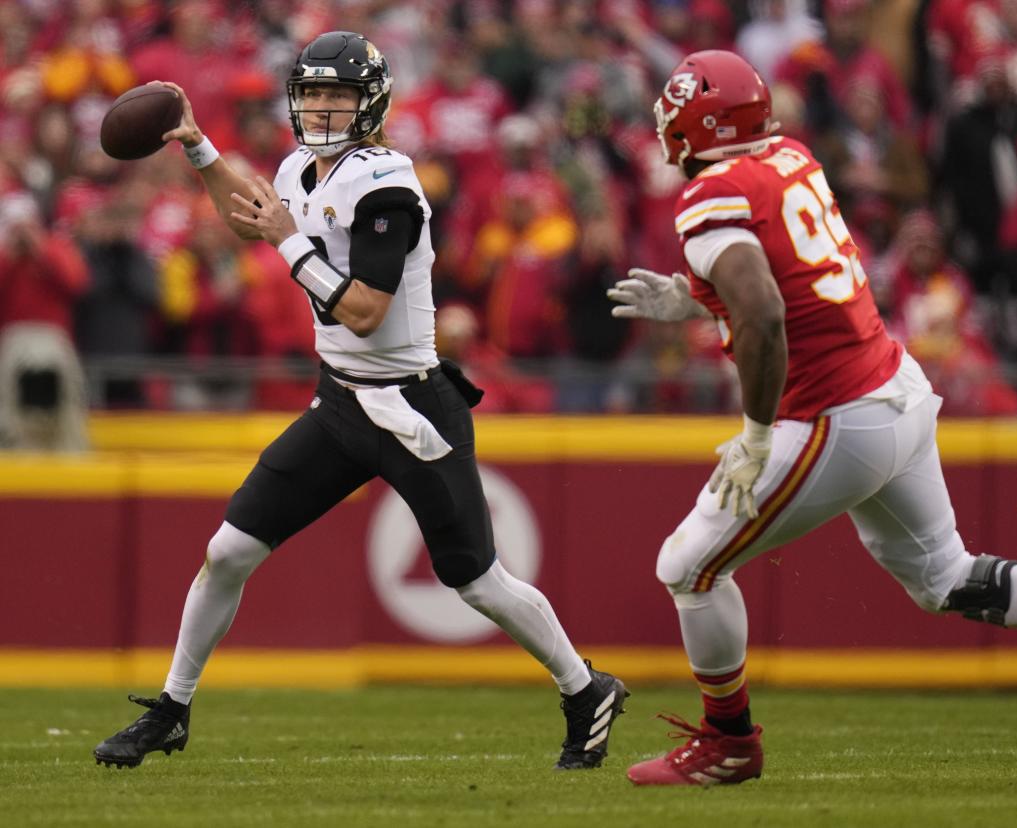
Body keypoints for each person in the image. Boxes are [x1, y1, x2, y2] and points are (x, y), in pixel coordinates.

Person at [607, 50, 1017, 786]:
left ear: (705, 122)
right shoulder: (791, 154)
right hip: (896, 388)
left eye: (678, 112)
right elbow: (790, 283)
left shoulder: (711, 196)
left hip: (831, 413)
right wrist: (698, 298)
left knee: (688, 567)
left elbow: (765, 311)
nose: (667, 125)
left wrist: (757, 436)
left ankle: (728, 740)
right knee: (947, 577)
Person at [92, 32, 626, 772]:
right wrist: (199, 148)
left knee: (477, 582)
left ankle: (584, 687)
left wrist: (288, 245)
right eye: (310, 92)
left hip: (413, 411)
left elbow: (368, 311)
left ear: (368, 101)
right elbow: (253, 216)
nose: (320, 106)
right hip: (342, 404)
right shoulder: (301, 170)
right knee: (228, 552)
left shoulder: (388, 185)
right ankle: (174, 709)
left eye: (336, 94)